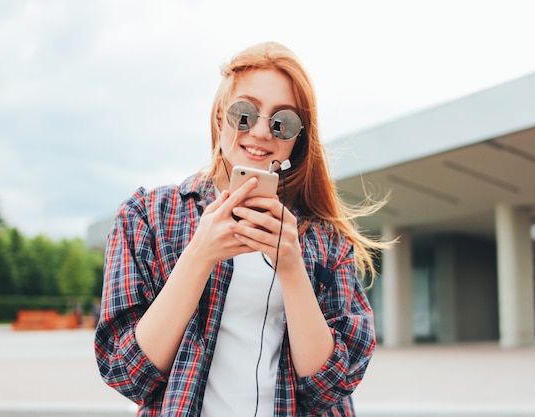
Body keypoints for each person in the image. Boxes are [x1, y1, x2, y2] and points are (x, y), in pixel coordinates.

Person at [94, 41, 388, 417]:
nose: (263, 132)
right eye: (245, 113)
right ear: (220, 116)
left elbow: (329, 388)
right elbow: (127, 374)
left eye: (284, 121)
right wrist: (199, 255)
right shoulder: (148, 216)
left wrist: (292, 267)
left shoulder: (326, 240)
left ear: (297, 139)